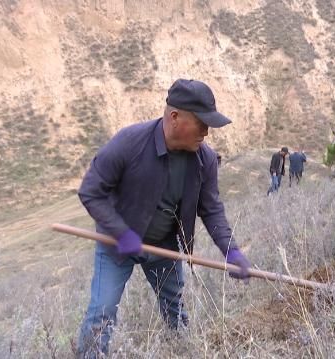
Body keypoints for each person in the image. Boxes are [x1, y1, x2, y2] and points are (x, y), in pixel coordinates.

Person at [76, 79, 252, 358]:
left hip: (164, 247)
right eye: (202, 123)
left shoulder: (204, 160)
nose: (207, 132)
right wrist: (122, 233)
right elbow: (90, 192)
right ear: (174, 117)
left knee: (175, 311)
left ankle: (183, 351)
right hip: (116, 246)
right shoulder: (129, 143)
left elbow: (211, 209)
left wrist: (232, 251)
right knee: (102, 312)